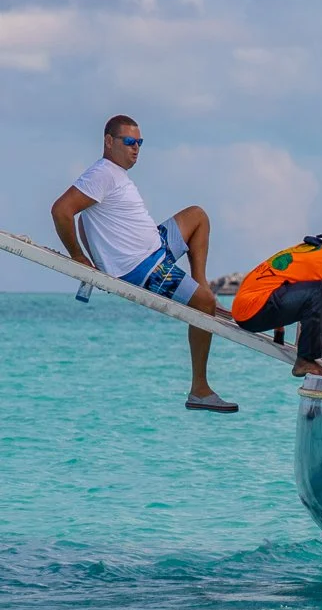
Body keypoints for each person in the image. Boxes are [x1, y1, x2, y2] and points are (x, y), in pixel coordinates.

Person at [49, 115, 234, 412]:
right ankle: (199, 389)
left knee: (197, 216)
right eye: (129, 142)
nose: (135, 148)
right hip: (145, 267)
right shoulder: (102, 173)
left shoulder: (115, 175)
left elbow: (85, 220)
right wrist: (80, 258)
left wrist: (96, 256)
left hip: (157, 247)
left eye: (139, 143)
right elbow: (61, 210)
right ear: (108, 141)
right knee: (203, 304)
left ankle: (201, 285)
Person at [232, 215, 322, 379]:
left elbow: (279, 281)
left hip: (246, 309)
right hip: (252, 311)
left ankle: (308, 355)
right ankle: (306, 360)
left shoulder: (312, 251)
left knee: (319, 291)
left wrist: (279, 331)